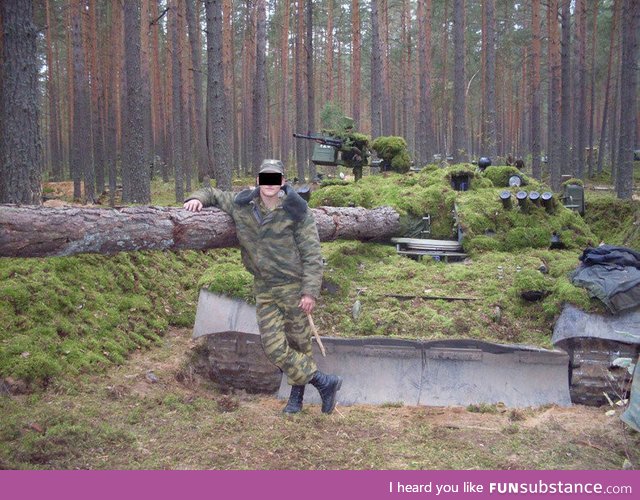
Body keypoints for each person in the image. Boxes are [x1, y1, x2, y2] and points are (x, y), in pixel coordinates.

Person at [183, 159, 343, 415]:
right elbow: (212, 193)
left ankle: (296, 398)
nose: (269, 183)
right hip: (265, 288)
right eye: (264, 178)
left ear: (282, 182)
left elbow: (312, 254)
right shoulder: (242, 205)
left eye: (275, 178)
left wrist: (310, 291)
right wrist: (196, 198)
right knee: (273, 347)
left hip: (293, 287)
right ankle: (324, 382)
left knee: (299, 342)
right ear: (258, 181)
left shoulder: (297, 211)